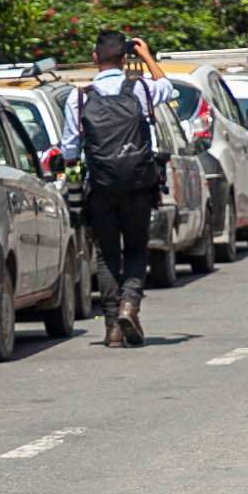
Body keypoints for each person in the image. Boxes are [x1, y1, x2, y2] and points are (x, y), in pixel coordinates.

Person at [61, 31, 177, 348]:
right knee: (137, 249)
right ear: (125, 59)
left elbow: (69, 151)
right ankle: (130, 304)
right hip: (139, 185)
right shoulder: (140, 87)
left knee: (108, 255)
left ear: (95, 58)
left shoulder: (78, 97)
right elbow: (168, 88)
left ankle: (113, 327)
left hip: (100, 187)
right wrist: (149, 57)